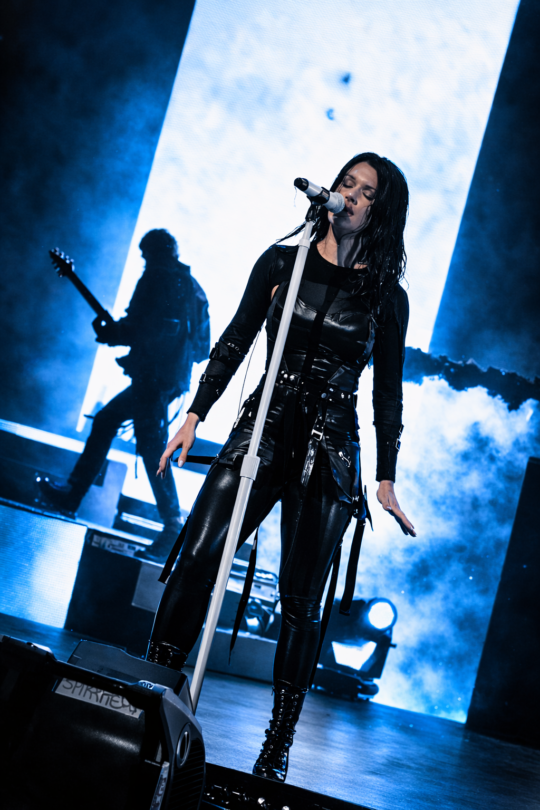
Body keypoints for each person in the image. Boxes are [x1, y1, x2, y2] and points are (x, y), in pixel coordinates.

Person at [148, 154, 416, 781]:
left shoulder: (386, 297)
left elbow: (388, 393)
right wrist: (195, 415)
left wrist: (385, 476)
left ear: (381, 213)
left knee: (300, 598)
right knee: (197, 558)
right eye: (346, 184)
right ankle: (152, 697)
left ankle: (277, 745)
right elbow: (236, 337)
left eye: (366, 193)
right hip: (263, 427)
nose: (350, 196)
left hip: (332, 445)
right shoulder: (281, 263)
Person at [39, 229, 210, 562]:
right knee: (117, 428)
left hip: (151, 379)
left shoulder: (156, 278)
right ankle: (74, 496)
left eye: (146, 256)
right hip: (167, 380)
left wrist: (115, 334)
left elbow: (138, 329)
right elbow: (200, 348)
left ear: (154, 253)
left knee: (147, 446)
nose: (145, 263)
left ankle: (172, 525)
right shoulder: (193, 288)